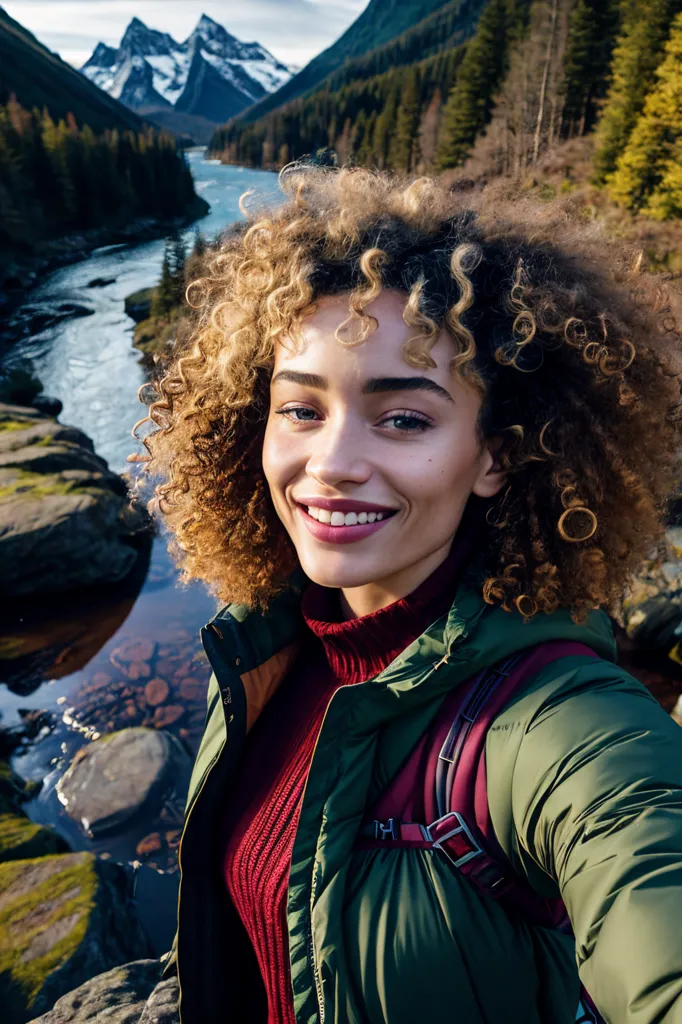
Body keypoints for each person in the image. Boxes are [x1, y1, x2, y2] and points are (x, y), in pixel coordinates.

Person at [137, 167, 682, 1024]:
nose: (332, 463)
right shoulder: (266, 645)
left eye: (403, 419)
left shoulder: (562, 725)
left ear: (498, 455)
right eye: (301, 410)